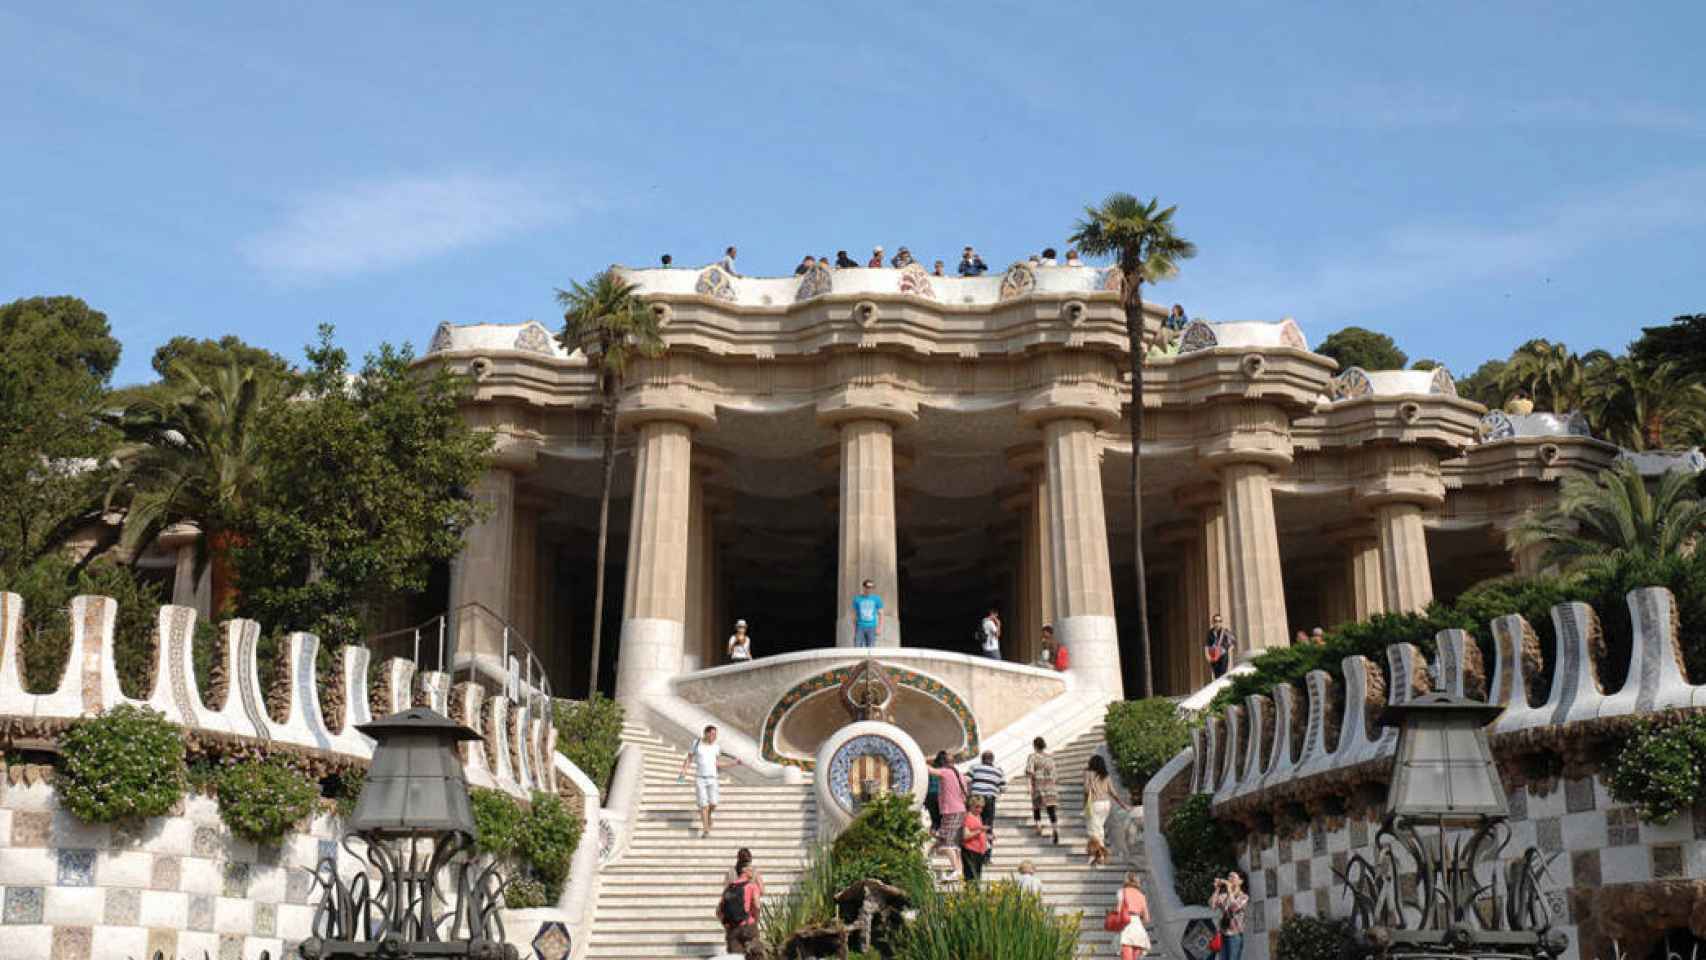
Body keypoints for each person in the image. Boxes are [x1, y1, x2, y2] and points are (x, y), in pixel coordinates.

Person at [677, 724, 741, 838]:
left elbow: (717, 764)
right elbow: (689, 758)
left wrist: (733, 763)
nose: (714, 737)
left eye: (715, 735)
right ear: (705, 733)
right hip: (700, 778)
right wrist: (683, 771)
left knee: (714, 803)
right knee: (704, 805)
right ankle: (705, 829)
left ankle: (708, 817)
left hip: (713, 778)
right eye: (712, 734)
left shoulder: (716, 747)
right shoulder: (696, 743)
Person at [926, 751, 967, 881]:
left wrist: (922, 758)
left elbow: (930, 770)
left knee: (946, 843)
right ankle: (959, 870)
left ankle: (956, 869)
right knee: (953, 843)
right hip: (960, 810)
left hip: (951, 811)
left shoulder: (945, 772)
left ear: (942, 763)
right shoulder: (959, 773)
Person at [1083, 753, 1128, 866]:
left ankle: (1098, 855)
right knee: (1099, 829)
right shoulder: (1106, 775)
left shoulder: (1088, 774)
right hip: (1106, 804)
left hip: (1094, 803)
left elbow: (1086, 790)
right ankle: (1098, 854)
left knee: (1092, 831)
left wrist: (1085, 804)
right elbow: (1112, 792)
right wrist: (1123, 804)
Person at [716, 851, 762, 954]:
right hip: (748, 926)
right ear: (745, 871)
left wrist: (726, 923)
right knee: (755, 956)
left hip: (732, 929)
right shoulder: (751, 886)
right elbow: (757, 905)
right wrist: (755, 920)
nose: (752, 872)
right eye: (750, 870)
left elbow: (719, 911)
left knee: (736, 957)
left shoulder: (729, 887)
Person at [1026, 736, 1061, 844]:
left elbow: (1030, 772)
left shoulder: (1032, 757)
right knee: (1051, 809)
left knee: (1036, 806)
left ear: (1035, 746)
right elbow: (1055, 775)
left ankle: (1038, 826)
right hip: (1050, 786)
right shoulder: (1050, 757)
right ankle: (1055, 828)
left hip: (1039, 785)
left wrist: (1029, 786)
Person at [1210, 872, 1250, 960]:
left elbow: (1233, 907)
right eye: (1229, 876)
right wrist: (1217, 889)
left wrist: (1229, 889)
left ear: (1240, 881)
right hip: (1223, 934)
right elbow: (1212, 906)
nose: (1230, 878)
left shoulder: (1244, 897)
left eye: (1233, 876)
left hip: (1235, 935)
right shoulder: (1224, 896)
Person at [967, 750, 1006, 839]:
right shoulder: (998, 771)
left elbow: (966, 779)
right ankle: (987, 838)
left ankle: (974, 836)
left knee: (973, 819)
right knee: (987, 821)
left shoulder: (974, 767)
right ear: (992, 760)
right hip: (989, 798)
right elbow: (1003, 788)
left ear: (982, 759)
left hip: (975, 798)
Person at [1115, 872, 1153, 959]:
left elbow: (1118, 911)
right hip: (1138, 927)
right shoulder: (1141, 896)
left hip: (1127, 926)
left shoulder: (1122, 892)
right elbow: (1147, 919)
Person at [960, 796, 990, 882]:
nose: (979, 809)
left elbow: (978, 832)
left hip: (978, 851)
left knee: (976, 877)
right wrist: (980, 830)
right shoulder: (968, 817)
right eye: (977, 807)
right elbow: (965, 835)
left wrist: (986, 836)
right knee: (971, 877)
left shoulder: (978, 817)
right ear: (971, 805)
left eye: (981, 807)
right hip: (970, 851)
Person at [850, 578, 884, 648]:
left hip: (872, 627)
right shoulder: (857, 599)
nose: (869, 589)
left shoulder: (877, 599)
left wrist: (879, 627)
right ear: (863, 587)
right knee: (857, 647)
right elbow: (854, 615)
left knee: (871, 649)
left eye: (871, 588)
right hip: (860, 626)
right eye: (868, 587)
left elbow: (881, 614)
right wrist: (853, 629)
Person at [1205, 614, 1236, 679]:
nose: (1218, 623)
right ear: (1213, 622)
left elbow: (1233, 641)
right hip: (1213, 656)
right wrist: (1207, 656)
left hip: (1223, 655)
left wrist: (1229, 650)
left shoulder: (1225, 631)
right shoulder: (1210, 633)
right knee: (1216, 674)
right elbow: (1207, 645)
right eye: (1216, 621)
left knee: (1222, 673)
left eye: (1219, 621)